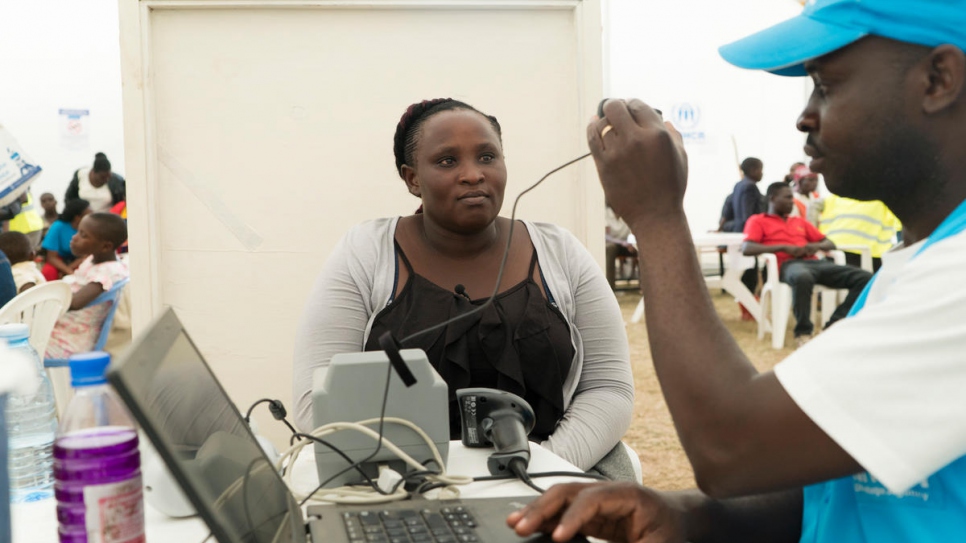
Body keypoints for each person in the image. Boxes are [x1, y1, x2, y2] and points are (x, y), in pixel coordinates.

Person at [508, 1, 966, 541]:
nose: (805, 115)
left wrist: (656, 215)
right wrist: (683, 515)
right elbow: (840, 478)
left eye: (826, 84)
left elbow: (731, 446)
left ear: (939, 79)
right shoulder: (920, 266)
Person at [293, 98, 635, 476]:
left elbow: (609, 390)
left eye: (487, 157)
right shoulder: (365, 253)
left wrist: (541, 469)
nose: (473, 174)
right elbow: (316, 404)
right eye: (447, 161)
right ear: (412, 178)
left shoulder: (561, 252)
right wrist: (433, 482)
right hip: (408, 483)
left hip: (554, 471)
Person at [743, 182, 871, 346]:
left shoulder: (799, 222)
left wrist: (813, 246)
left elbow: (829, 243)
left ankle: (834, 326)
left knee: (865, 278)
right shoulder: (758, 221)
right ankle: (803, 333)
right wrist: (784, 247)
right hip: (787, 266)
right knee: (802, 276)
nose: (792, 201)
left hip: (815, 263)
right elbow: (747, 247)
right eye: (788, 197)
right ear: (773, 198)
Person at [45, 213, 128, 360]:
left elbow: (76, 303)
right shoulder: (93, 259)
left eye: (83, 236)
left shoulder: (107, 272)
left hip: (71, 341)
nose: (74, 238)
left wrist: (45, 300)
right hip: (62, 329)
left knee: (17, 353)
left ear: (105, 246)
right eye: (78, 231)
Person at [817, 193, 901, 272]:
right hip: (870, 255)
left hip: (833, 250)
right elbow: (903, 226)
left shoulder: (835, 197)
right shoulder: (883, 199)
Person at [41, 199, 91, 281]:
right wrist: (69, 271)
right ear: (77, 217)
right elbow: (52, 257)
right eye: (88, 215)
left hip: (80, 260)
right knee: (48, 271)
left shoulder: (90, 227)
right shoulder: (58, 226)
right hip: (60, 259)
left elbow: (86, 255)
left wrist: (68, 270)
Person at [605, 204, 638, 289]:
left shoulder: (628, 213)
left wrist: (631, 243)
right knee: (609, 249)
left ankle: (645, 287)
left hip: (628, 244)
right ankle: (610, 287)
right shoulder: (606, 214)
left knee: (642, 248)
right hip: (614, 244)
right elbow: (607, 236)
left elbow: (634, 231)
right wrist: (622, 243)